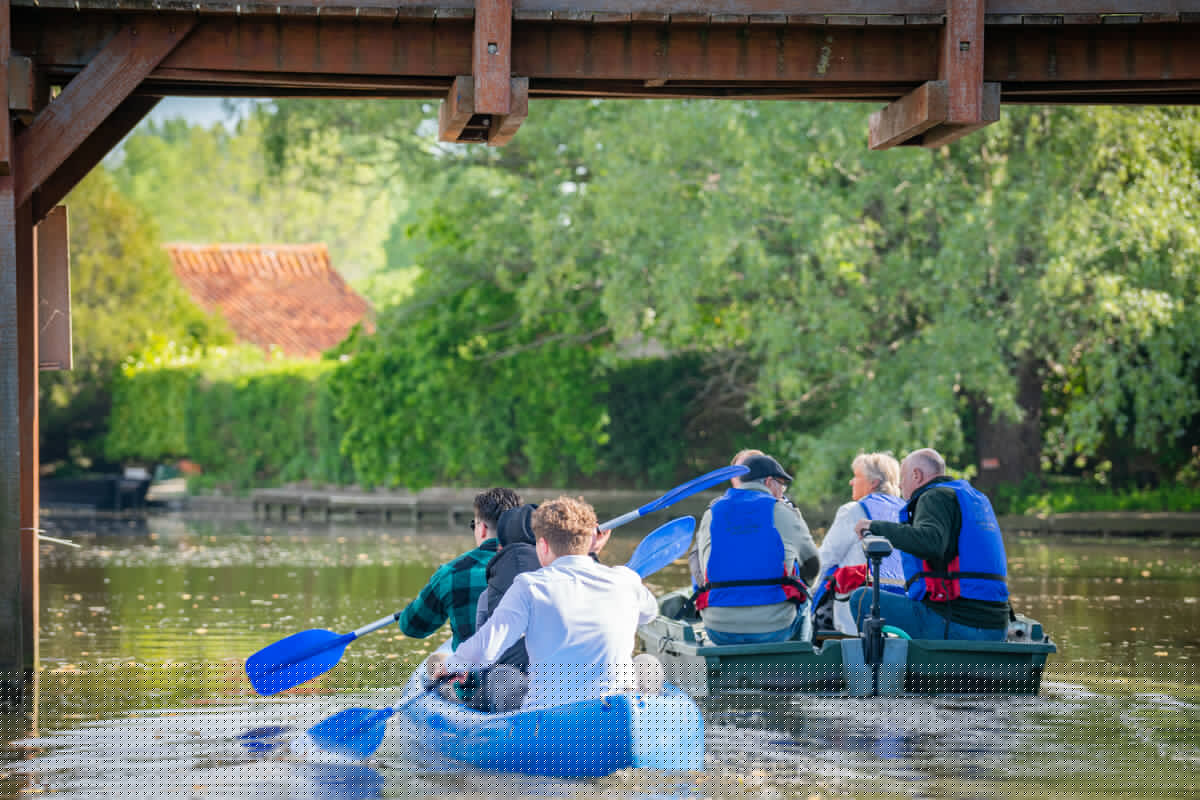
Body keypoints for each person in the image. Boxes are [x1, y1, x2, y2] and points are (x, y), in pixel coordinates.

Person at [435, 496, 661, 711]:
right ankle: (644, 720)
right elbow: (650, 613)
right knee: (647, 663)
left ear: (542, 546)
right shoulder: (626, 580)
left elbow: (487, 647)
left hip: (551, 716)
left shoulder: (530, 586)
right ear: (590, 541)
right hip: (612, 710)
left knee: (503, 675)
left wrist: (451, 665)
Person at [852, 448, 1010, 641]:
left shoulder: (933, 497)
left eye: (902, 478)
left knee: (861, 598)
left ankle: (883, 660)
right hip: (996, 626)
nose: (900, 485)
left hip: (957, 622)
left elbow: (929, 542)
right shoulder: (971, 498)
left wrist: (874, 527)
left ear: (916, 475)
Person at [688, 453, 820, 645]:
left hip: (719, 628)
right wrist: (801, 581)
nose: (782, 492)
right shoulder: (783, 511)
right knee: (805, 597)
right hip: (774, 628)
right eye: (782, 485)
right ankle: (799, 656)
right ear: (768, 482)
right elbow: (813, 565)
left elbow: (703, 569)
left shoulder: (711, 513)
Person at [394, 487, 521, 648]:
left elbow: (412, 627)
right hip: (525, 663)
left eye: (473, 525)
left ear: (482, 528)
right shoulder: (539, 568)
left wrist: (419, 603)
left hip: (470, 663)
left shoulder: (450, 574)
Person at [813, 452, 908, 635]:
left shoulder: (853, 511)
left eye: (856, 476)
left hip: (857, 617)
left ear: (873, 483)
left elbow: (824, 560)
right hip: (902, 614)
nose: (851, 482)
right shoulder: (906, 512)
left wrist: (808, 597)